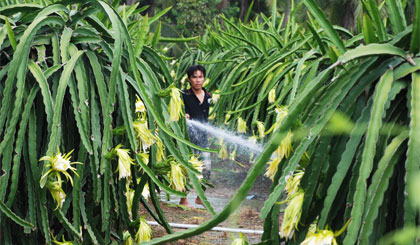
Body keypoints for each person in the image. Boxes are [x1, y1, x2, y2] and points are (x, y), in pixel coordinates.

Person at [179, 65, 212, 208]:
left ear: (204, 78)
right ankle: (183, 200)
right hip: (188, 139)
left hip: (203, 138)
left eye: (200, 77)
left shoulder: (209, 96)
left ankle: (200, 197)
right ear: (189, 79)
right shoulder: (184, 96)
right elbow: (177, 112)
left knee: (207, 168)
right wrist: (183, 115)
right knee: (187, 168)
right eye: (194, 77)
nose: (198, 80)